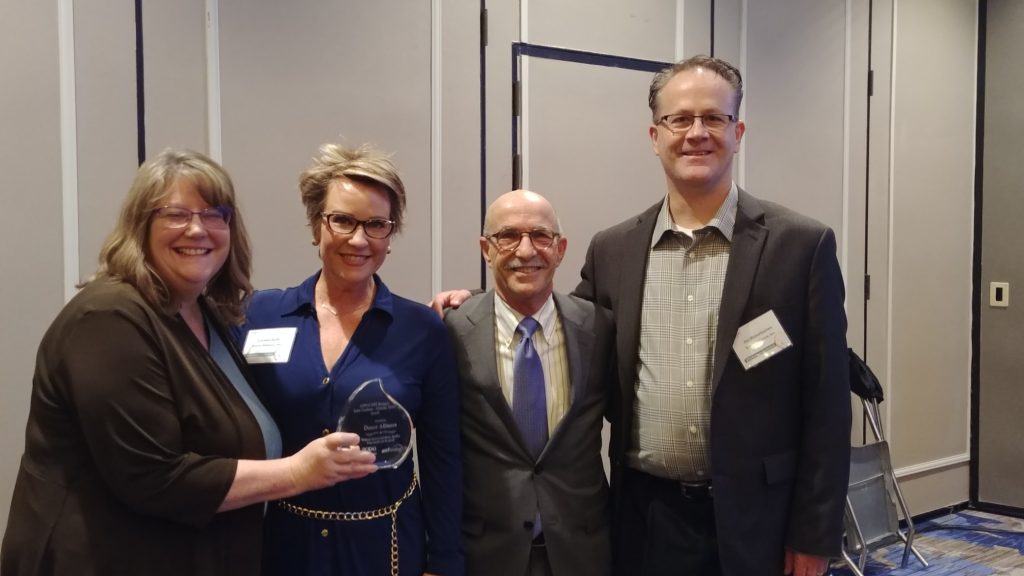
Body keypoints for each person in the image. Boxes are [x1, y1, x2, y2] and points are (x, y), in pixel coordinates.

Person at [434, 55, 851, 576]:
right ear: (655, 135)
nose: (696, 133)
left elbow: (828, 407)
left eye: (713, 118)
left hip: (757, 521)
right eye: (679, 119)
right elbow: (560, 324)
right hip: (646, 520)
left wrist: (814, 535)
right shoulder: (614, 250)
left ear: (737, 130)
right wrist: (477, 303)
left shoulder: (801, 247)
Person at [0, 149, 377, 576]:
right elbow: (154, 478)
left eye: (214, 214)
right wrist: (297, 473)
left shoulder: (206, 314)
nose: (197, 229)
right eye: (176, 214)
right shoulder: (108, 318)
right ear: (140, 226)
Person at [240, 143, 463, 576]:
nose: (359, 240)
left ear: (390, 235)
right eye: (342, 220)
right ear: (315, 225)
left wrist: (444, 562)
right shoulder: (257, 316)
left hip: (386, 545)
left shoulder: (422, 331)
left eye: (376, 225)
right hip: (283, 545)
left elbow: (444, 458)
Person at [444, 190, 613, 576]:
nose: (525, 250)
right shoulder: (451, 331)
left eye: (540, 235)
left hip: (582, 551)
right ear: (486, 248)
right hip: (485, 552)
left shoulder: (599, 328)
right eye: (508, 236)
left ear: (561, 248)